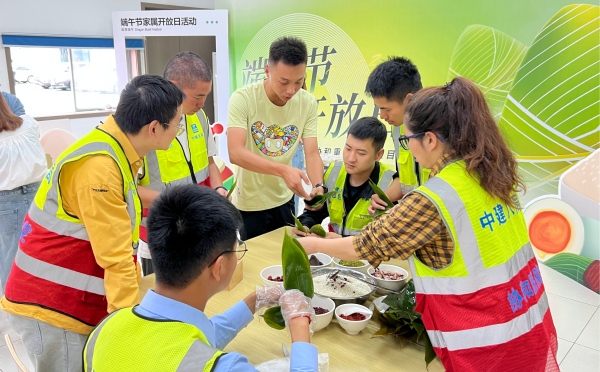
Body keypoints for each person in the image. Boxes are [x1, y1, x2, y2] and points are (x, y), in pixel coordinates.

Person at [298, 77, 559, 371]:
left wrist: (312, 244)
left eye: (408, 140)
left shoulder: (437, 196)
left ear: (430, 139)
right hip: (527, 317)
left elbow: (369, 244)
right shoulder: (490, 174)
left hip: (485, 343)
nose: (408, 149)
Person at [1, 75, 184, 371]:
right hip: (51, 307)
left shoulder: (112, 148)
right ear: (153, 128)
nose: (178, 130)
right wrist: (128, 330)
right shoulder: (99, 168)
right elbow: (116, 259)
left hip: (67, 298)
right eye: (177, 123)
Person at [83, 184, 317, 371]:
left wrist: (254, 301)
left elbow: (187, 345)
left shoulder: (105, 328)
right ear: (219, 266)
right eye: (237, 249)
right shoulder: (226, 367)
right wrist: (299, 330)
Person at [137, 51, 226, 276]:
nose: (202, 103)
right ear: (174, 87)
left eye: (206, 95)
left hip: (197, 229)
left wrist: (219, 189)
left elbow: (210, 162)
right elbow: (125, 188)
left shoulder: (199, 117)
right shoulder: (143, 126)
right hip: (160, 235)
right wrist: (176, 205)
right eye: (197, 96)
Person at [228, 36, 325, 240]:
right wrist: (282, 170)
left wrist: (318, 186)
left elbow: (312, 152)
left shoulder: (307, 102)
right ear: (267, 71)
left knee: (284, 260)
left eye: (299, 81)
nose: (291, 90)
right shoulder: (243, 99)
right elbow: (235, 153)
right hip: (249, 203)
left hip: (284, 199)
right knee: (255, 263)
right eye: (283, 82)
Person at [292, 117, 395, 238]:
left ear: (378, 155)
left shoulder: (391, 185)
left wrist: (340, 240)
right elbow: (316, 212)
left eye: (361, 153)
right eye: (348, 148)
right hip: (335, 253)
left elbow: (390, 237)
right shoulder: (333, 172)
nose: (351, 158)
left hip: (368, 255)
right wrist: (305, 225)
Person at [365, 56, 429, 211]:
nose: (382, 116)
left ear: (409, 100)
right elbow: (404, 178)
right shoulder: (398, 127)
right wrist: (385, 196)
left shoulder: (440, 130)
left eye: (386, 109)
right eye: (379, 108)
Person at [0, 94, 46, 292]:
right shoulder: (29, 125)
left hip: (7, 201)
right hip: (41, 195)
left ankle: (13, 307)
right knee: (42, 251)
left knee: (10, 260)